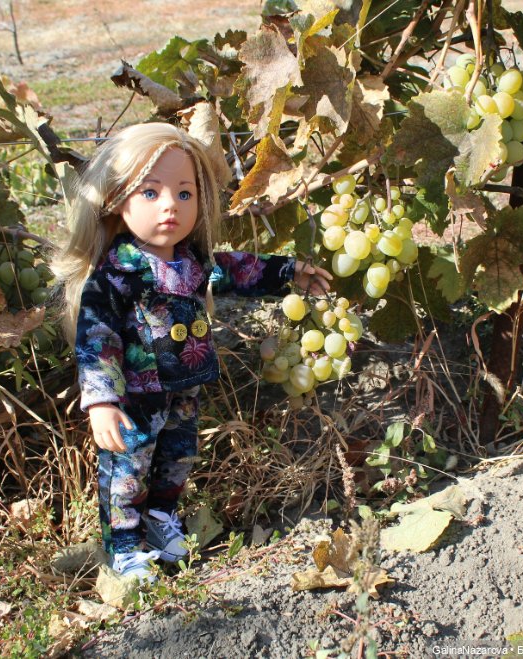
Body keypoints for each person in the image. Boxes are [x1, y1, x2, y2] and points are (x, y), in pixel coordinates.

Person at [51, 122, 332, 583]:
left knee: (177, 457)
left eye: (184, 193)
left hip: (185, 387)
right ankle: (124, 546)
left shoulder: (193, 262)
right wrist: (101, 399)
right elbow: (97, 336)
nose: (170, 206)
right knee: (128, 468)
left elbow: (238, 269)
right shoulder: (118, 273)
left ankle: (161, 519)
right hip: (135, 396)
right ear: (116, 200)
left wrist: (288, 272)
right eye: (150, 193)